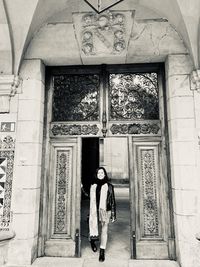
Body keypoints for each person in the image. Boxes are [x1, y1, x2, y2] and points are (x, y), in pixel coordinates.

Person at [89, 167, 116, 262]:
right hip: (94, 211)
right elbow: (87, 196)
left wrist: (113, 214)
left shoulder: (109, 186)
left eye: (102, 172)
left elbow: (112, 201)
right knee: (94, 226)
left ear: (105, 174)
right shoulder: (93, 186)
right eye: (98, 173)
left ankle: (102, 250)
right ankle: (92, 241)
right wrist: (81, 188)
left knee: (104, 230)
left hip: (105, 211)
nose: (100, 174)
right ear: (96, 175)